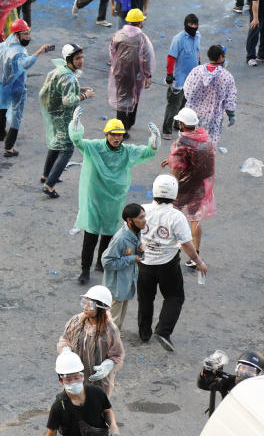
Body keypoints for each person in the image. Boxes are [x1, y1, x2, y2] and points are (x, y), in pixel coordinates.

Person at [68, 107, 158, 284]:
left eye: (120, 135)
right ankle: (85, 270)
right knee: (91, 235)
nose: (117, 138)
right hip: (94, 197)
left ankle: (101, 263)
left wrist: (154, 142)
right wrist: (75, 127)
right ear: (106, 135)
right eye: (113, 134)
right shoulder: (94, 147)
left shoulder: (127, 151)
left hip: (114, 198)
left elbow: (147, 152)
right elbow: (78, 142)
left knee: (109, 234)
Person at [138, 175, 207, 351]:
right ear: (174, 194)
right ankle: (163, 330)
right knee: (174, 297)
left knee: (145, 298)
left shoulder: (141, 210)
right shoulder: (176, 217)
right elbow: (186, 244)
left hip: (144, 263)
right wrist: (198, 261)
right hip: (167, 264)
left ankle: (144, 333)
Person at [0, 19, 52, 157]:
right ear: (17, 35)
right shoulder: (19, 51)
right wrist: (39, 52)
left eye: (28, 33)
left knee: (2, 107)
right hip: (17, 87)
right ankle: (9, 147)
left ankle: (1, 134)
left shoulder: (3, 46)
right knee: (17, 115)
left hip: (3, 85)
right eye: (25, 34)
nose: (28, 37)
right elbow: (26, 64)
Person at [39, 43, 95, 197]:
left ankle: (46, 174)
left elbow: (60, 87)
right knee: (67, 149)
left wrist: (80, 88)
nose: (81, 61)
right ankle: (49, 185)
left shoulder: (60, 70)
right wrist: (85, 95)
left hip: (54, 113)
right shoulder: (69, 77)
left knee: (56, 144)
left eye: (82, 57)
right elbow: (68, 100)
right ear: (69, 59)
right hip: (64, 116)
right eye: (77, 58)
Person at [162, 107, 215, 266]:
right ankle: (195, 254)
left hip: (183, 186)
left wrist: (171, 186)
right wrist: (170, 159)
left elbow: (178, 167)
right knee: (195, 219)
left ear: (183, 124)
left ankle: (170, 250)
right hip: (200, 185)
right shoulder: (205, 139)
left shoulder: (181, 142)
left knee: (172, 216)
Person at [56, 286, 124, 398]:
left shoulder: (110, 330)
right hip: (75, 378)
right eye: (84, 302)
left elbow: (117, 355)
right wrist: (65, 349)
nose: (85, 307)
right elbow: (65, 339)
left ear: (100, 307)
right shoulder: (76, 322)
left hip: (98, 384)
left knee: (95, 410)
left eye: (90, 304)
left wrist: (108, 365)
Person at [44, 348, 120, 436]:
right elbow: (51, 433)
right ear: (61, 381)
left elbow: (107, 411)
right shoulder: (58, 407)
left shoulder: (97, 392)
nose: (73, 382)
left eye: (76, 377)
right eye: (68, 379)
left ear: (82, 377)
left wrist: (113, 426)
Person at [107, 8, 154, 133]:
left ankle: (121, 128)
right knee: (134, 96)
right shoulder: (142, 38)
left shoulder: (118, 35)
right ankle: (129, 123)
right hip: (136, 75)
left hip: (120, 73)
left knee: (122, 97)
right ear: (139, 23)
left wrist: (117, 65)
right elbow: (147, 57)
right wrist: (148, 75)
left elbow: (112, 52)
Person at [101, 203, 146, 330]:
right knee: (111, 326)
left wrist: (140, 252)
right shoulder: (120, 239)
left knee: (117, 324)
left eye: (144, 216)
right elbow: (107, 262)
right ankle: (108, 347)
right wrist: (132, 258)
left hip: (126, 285)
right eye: (141, 218)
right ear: (129, 220)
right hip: (116, 289)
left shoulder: (136, 233)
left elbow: (137, 257)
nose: (144, 220)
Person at [183, 45, 237, 147]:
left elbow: (187, 91)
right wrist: (231, 115)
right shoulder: (226, 76)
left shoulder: (196, 71)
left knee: (190, 144)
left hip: (192, 114)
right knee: (207, 147)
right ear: (221, 57)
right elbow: (230, 98)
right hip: (213, 118)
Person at [161, 14, 200, 137]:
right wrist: (169, 74)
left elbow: (197, 52)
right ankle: (166, 129)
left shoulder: (198, 36)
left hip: (191, 78)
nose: (193, 27)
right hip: (179, 78)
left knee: (185, 103)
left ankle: (178, 124)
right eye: (191, 25)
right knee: (173, 104)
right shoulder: (178, 39)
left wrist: (198, 64)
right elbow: (171, 57)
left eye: (195, 25)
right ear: (186, 25)